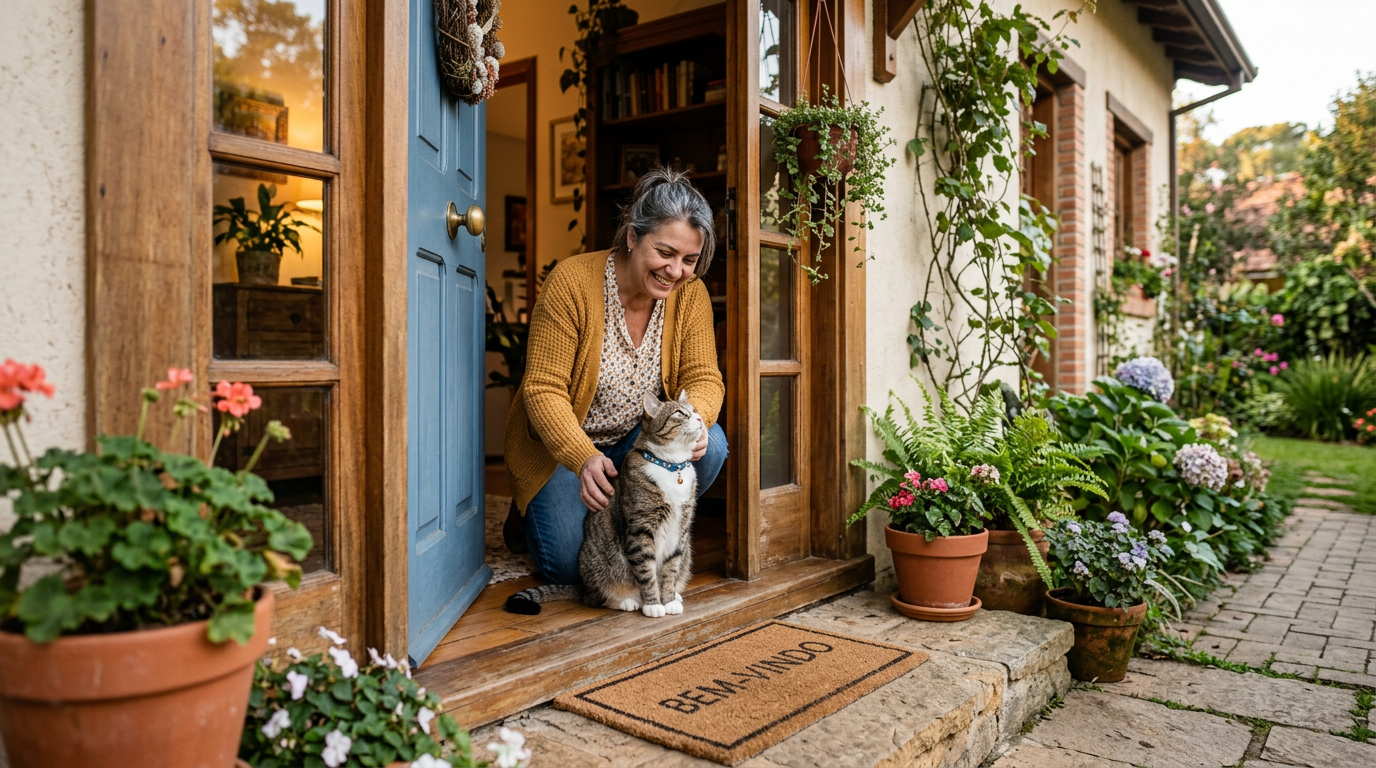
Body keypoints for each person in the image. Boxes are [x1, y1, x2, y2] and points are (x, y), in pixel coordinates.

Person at [503, 167, 728, 584]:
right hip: (565, 452)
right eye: (665, 252)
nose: (676, 271)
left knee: (710, 444)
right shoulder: (571, 283)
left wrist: (698, 417)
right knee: (571, 571)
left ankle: (637, 530)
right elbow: (542, 388)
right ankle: (528, 513)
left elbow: (704, 376)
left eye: (689, 260)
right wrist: (582, 456)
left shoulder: (690, 294)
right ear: (631, 236)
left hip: (637, 444)